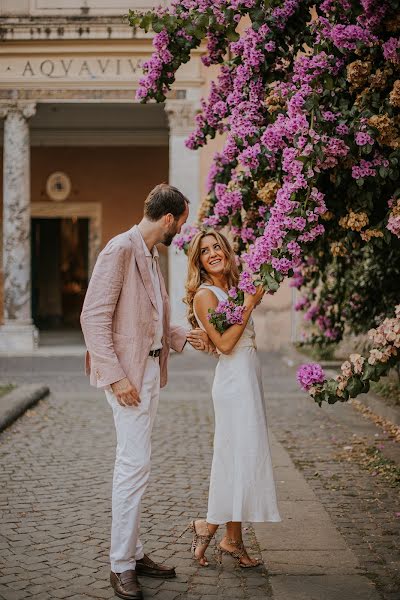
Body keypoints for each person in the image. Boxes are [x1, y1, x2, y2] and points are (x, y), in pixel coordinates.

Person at [80, 184, 210, 600]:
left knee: (139, 464)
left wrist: (186, 335)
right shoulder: (119, 249)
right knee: (132, 465)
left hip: (151, 370)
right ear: (169, 219)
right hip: (129, 377)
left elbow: (153, 319)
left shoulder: (150, 256)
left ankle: (134, 553)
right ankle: (121, 565)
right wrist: (117, 378)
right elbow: (92, 317)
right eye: (182, 222)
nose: (181, 230)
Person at [184, 229, 281, 568]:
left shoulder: (233, 288)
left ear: (226, 250)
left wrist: (246, 299)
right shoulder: (204, 296)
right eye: (205, 251)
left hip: (248, 374)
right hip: (233, 381)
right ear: (198, 261)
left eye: (217, 246)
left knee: (241, 457)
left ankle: (231, 539)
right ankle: (210, 527)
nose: (213, 253)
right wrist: (250, 305)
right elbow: (224, 345)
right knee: (234, 456)